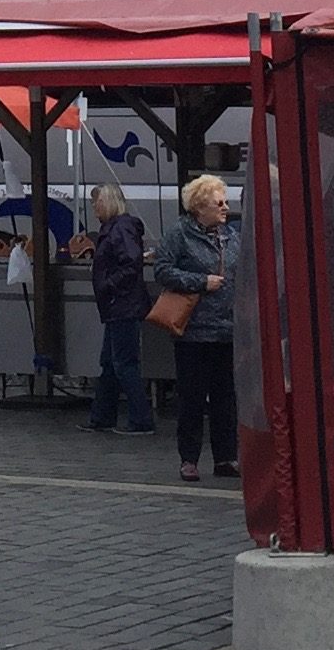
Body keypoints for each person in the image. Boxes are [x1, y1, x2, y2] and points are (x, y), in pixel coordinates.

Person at [154, 175, 238, 484]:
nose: (226, 207)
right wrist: (200, 281)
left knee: (226, 398)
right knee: (191, 398)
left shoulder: (230, 235)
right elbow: (162, 270)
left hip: (227, 330)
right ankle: (188, 459)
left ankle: (226, 457)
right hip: (194, 331)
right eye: (219, 203)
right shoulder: (179, 234)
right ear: (199, 206)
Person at [83, 185, 154, 437]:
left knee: (123, 363)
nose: (94, 207)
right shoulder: (117, 228)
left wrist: (107, 285)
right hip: (119, 304)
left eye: (97, 202)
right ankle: (102, 416)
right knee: (111, 363)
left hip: (121, 304)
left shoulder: (120, 228)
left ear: (109, 202)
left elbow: (131, 263)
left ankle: (141, 419)